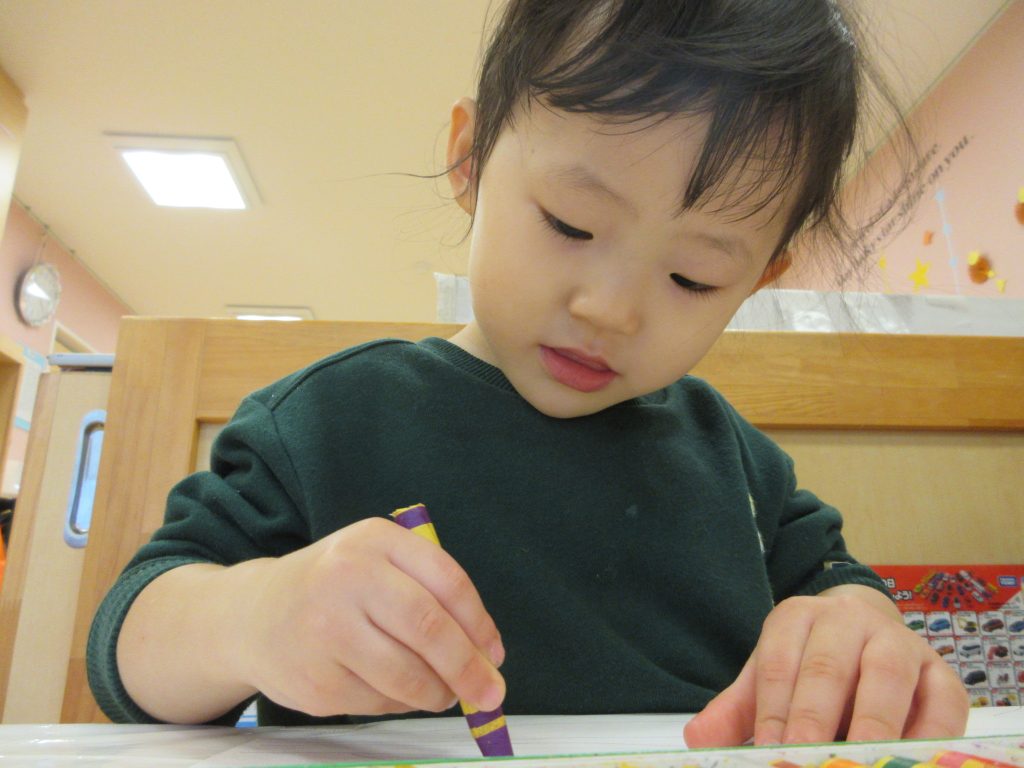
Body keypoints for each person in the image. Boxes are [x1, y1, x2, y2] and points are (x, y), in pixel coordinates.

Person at [87, 0, 968, 746]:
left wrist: (860, 630)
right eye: (571, 224)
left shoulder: (734, 462)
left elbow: (836, 585)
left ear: (759, 279)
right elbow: (130, 643)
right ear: (469, 160)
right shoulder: (332, 420)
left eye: (692, 277)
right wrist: (252, 618)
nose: (611, 310)